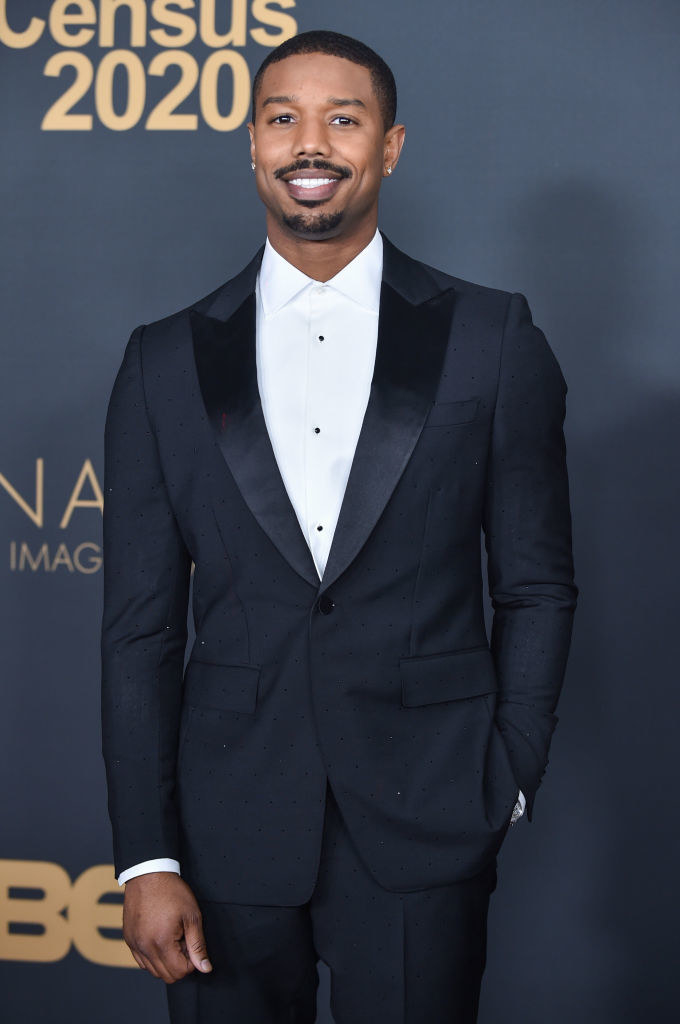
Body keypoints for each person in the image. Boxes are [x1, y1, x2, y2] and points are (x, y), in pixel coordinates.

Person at [101, 29, 577, 1024]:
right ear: (251, 144)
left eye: (341, 119)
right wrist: (146, 852)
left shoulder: (492, 338)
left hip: (429, 815)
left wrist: (510, 772)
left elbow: (533, 582)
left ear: (389, 146)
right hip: (223, 836)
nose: (309, 143)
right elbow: (140, 630)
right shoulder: (160, 362)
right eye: (282, 118)